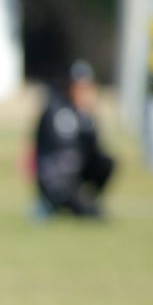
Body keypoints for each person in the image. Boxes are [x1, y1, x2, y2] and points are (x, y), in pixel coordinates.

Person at [32, 60, 116, 220]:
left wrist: (87, 116)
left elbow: (94, 149)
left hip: (75, 175)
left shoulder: (84, 113)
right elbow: (64, 148)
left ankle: (88, 198)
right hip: (57, 177)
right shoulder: (57, 111)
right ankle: (50, 204)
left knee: (107, 163)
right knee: (88, 213)